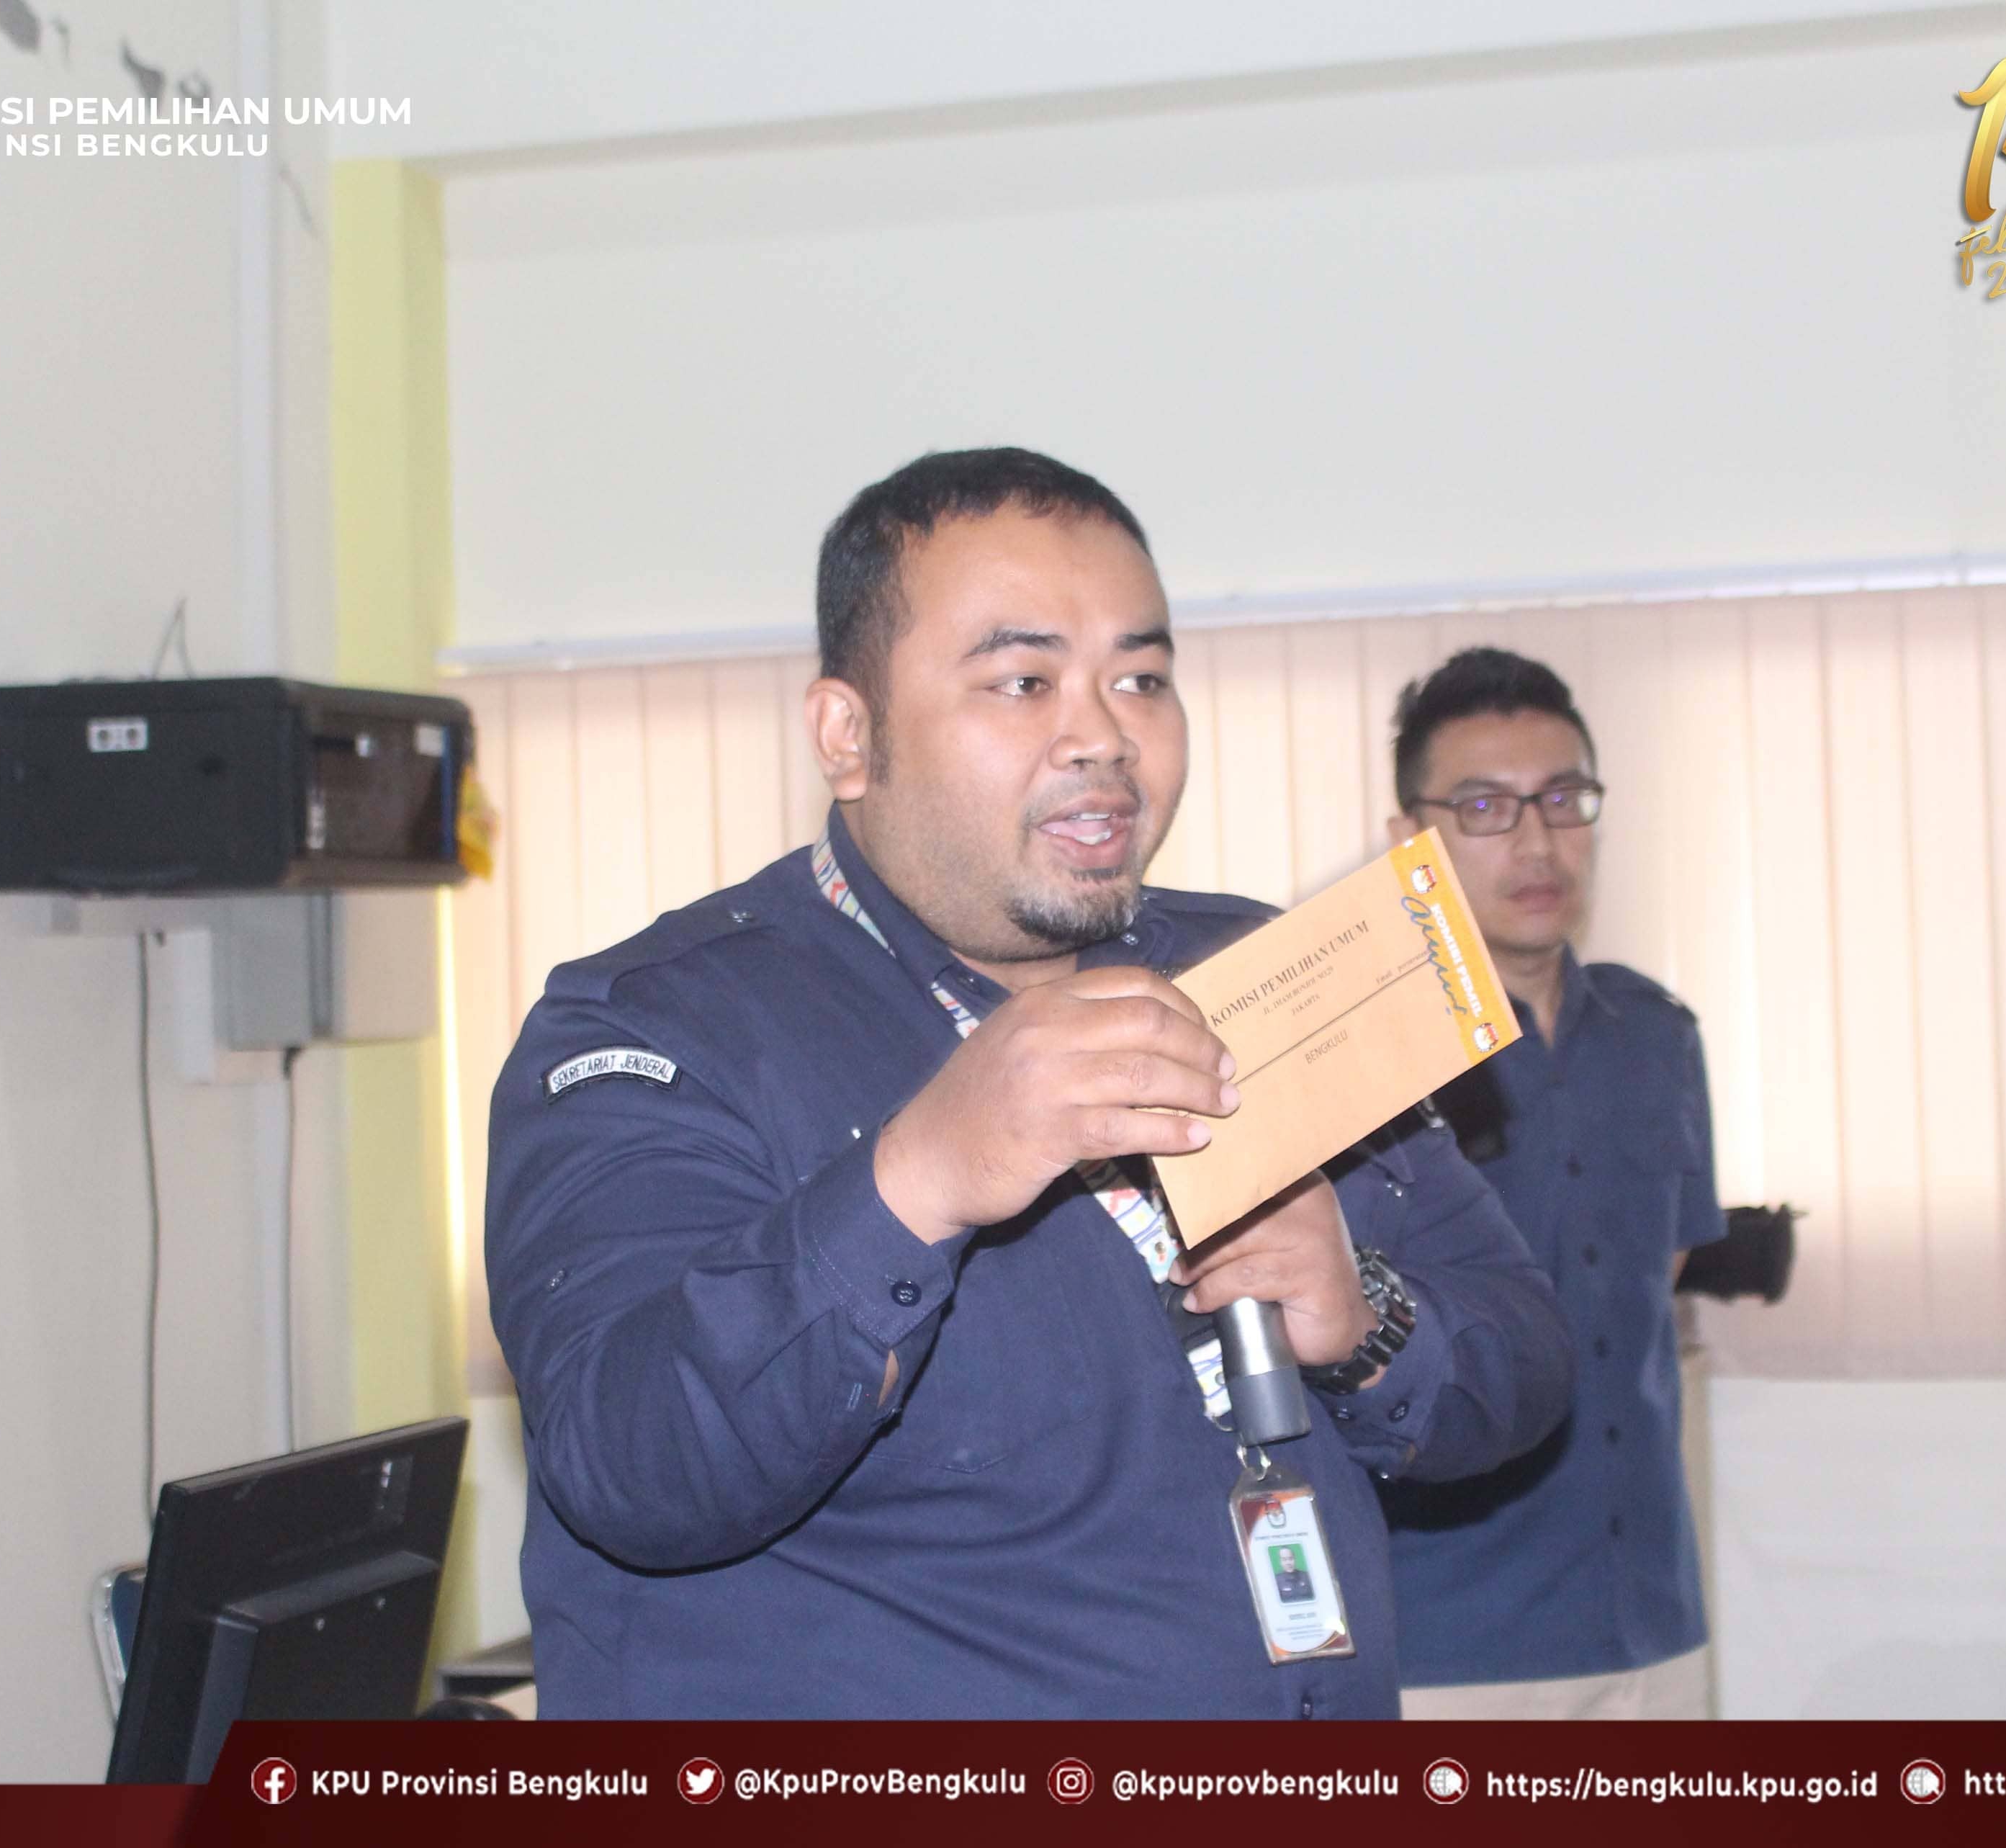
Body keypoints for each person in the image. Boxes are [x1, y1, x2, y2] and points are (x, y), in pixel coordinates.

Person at [485, 450, 1572, 1718]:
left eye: (1140, 678)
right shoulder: (649, 1025)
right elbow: (632, 1467)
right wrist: (916, 1179)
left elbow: (1528, 1356)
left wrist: (1364, 1317)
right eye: (1024, 680)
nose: (1104, 735)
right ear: (849, 735)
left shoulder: (1257, 965)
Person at [1380, 647, 1725, 1721]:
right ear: (1411, 840)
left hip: (1651, 1618)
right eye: (1485, 807)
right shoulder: (1372, 1062)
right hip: (1447, 1644)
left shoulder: (1657, 1035)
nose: (1537, 842)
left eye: (1564, 798)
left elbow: (1655, 1288)